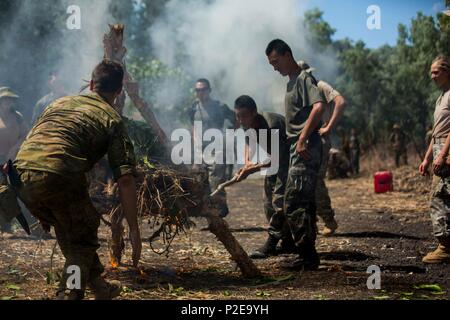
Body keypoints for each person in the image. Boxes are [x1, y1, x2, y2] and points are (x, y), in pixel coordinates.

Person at [13, 60, 142, 299]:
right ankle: (69, 292)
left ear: (91, 84)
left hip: (21, 176)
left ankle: (100, 288)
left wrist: (39, 199)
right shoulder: (112, 119)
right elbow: (125, 180)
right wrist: (134, 230)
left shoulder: (58, 103)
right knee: (82, 239)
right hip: (58, 175)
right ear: (119, 92)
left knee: (73, 229)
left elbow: (31, 142)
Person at [266, 39, 326, 270]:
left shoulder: (303, 79)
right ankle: (308, 257)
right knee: (304, 202)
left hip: (305, 147)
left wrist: (302, 139)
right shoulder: (291, 82)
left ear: (287, 54)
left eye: (275, 61)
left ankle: (307, 256)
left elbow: (319, 107)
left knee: (292, 202)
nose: (274, 67)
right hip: (296, 147)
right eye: (271, 64)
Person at [232, 95, 295, 258]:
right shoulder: (246, 124)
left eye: (243, 116)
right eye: (237, 116)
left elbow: (276, 158)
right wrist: (247, 163)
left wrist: (251, 170)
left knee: (279, 201)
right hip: (273, 161)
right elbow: (248, 143)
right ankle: (288, 242)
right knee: (268, 203)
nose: (240, 120)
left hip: (288, 161)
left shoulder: (272, 125)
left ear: (254, 113)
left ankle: (272, 242)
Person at [298, 61, 346, 236]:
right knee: (305, 183)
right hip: (307, 142)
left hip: (320, 141)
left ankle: (329, 220)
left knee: (316, 182)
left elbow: (340, 102)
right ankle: (312, 222)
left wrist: (328, 127)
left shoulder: (319, 85)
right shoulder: (300, 91)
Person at [188, 78, 235, 217]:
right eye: (198, 90)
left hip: (217, 150)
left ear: (209, 90)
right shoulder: (193, 109)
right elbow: (194, 127)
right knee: (201, 184)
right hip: (200, 151)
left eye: (203, 89)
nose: (200, 93)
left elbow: (235, 119)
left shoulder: (220, 107)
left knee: (216, 182)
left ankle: (220, 212)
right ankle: (211, 215)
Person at [419, 54, 450, 264]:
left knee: (439, 199)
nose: (432, 76)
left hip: (447, 151)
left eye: (436, 71)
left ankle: (445, 247)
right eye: (431, 71)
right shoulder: (442, 97)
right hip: (440, 147)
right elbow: (437, 132)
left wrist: (443, 154)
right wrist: (427, 158)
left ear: (447, 71)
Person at [0, 87, 28, 232]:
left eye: (10, 100)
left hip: (15, 159)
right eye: (6, 99)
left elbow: (25, 135)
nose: (8, 103)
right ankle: (5, 226)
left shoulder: (17, 117)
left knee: (19, 190)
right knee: (2, 193)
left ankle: (29, 226)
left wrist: (15, 148)